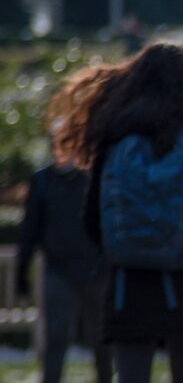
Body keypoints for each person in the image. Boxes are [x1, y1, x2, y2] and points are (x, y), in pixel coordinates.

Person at [75, 44, 183, 383]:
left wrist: (121, 248)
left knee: (130, 376)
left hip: (127, 285)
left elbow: (91, 219)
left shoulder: (114, 136)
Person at [17, 119, 112, 383]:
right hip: (58, 271)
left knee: (101, 340)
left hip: (95, 270)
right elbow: (30, 228)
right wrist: (22, 271)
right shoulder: (42, 181)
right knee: (56, 337)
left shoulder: (92, 178)